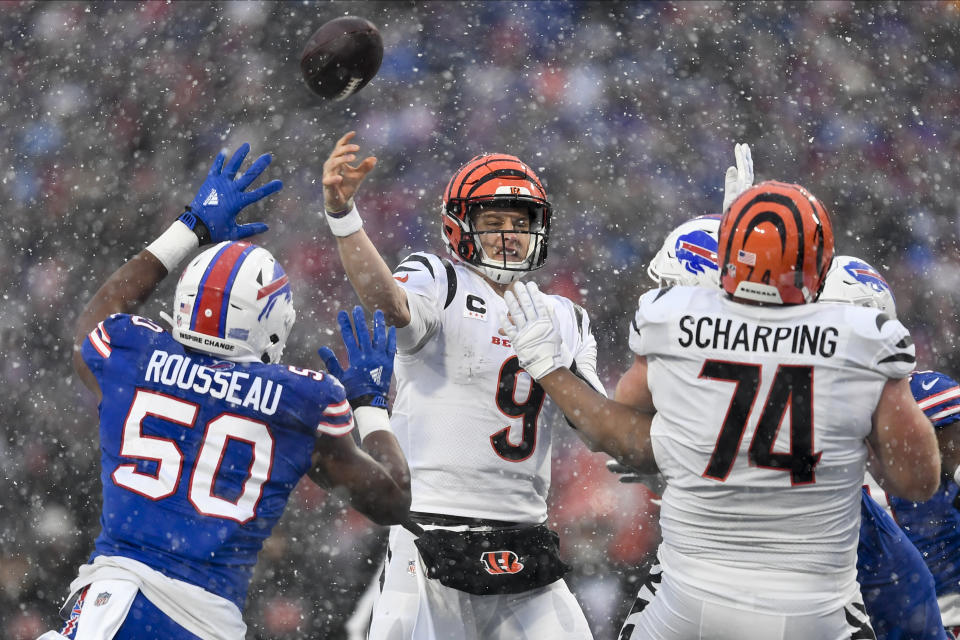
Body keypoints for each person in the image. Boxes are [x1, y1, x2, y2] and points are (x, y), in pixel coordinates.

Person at [504, 178, 941, 639]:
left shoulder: (670, 318)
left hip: (691, 600)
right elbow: (918, 481)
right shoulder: (865, 336)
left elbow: (625, 437)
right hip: (812, 607)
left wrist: (552, 371)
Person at [39, 143, 411, 640]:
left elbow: (90, 325)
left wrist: (189, 228)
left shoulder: (133, 354)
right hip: (205, 621)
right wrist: (371, 406)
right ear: (272, 324)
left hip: (115, 602)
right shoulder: (298, 401)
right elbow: (394, 500)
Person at [318, 131, 602, 639]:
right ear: (460, 226)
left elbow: (602, 429)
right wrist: (345, 218)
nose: (509, 235)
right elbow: (391, 304)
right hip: (428, 532)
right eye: (493, 222)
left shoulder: (565, 317)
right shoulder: (440, 279)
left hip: (526, 539)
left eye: (520, 223)